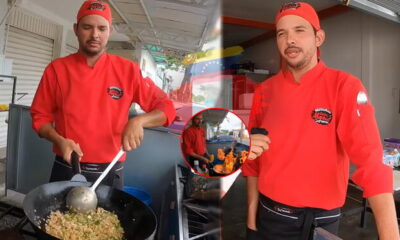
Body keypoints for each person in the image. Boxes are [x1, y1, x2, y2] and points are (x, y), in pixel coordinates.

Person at [243, 2, 399, 240]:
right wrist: (251, 215)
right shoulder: (264, 91)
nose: (290, 39)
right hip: (269, 215)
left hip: (320, 220)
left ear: (319, 38)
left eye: (299, 30)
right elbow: (253, 162)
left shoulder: (344, 87)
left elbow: (372, 164)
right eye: (281, 33)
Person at [30, 0, 175, 189]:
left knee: (108, 219)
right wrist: (59, 140)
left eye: (101, 28)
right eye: (87, 27)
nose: (95, 35)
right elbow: (40, 117)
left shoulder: (128, 70)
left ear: (110, 31)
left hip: (111, 169)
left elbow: (167, 108)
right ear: (75, 29)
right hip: (67, 165)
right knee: (58, 218)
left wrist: (139, 121)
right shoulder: (57, 69)